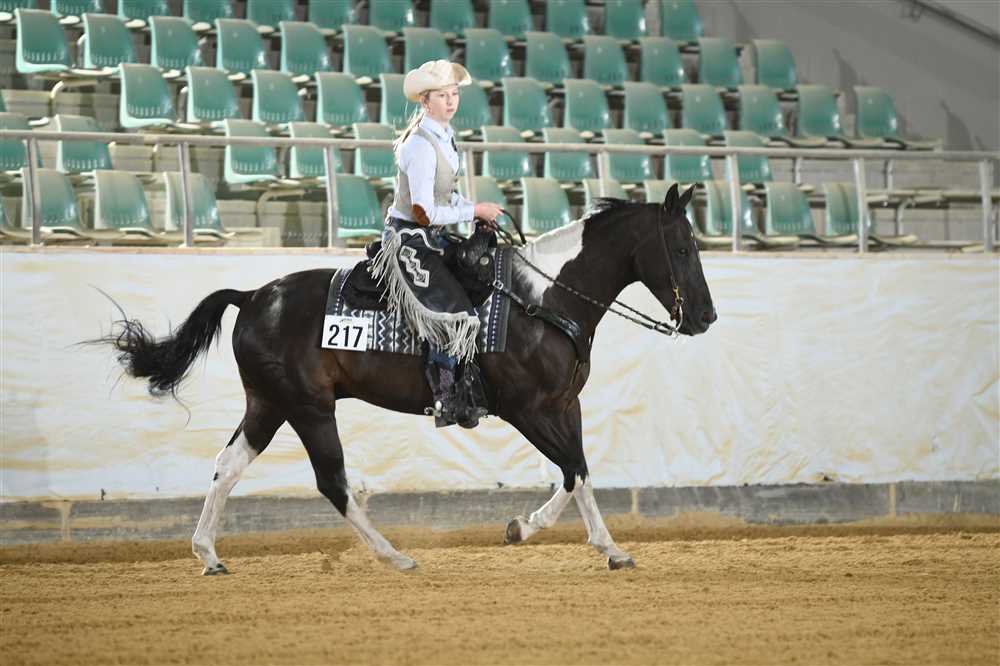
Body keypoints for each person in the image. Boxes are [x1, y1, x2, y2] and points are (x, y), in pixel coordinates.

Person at [371, 60, 504, 429]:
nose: (451, 101)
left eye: (454, 94)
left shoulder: (445, 137)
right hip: (408, 241)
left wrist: (473, 210)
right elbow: (423, 212)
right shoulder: (420, 145)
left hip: (430, 237)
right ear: (425, 101)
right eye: (443, 96)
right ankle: (444, 394)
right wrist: (473, 210)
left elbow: (445, 196)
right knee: (452, 311)